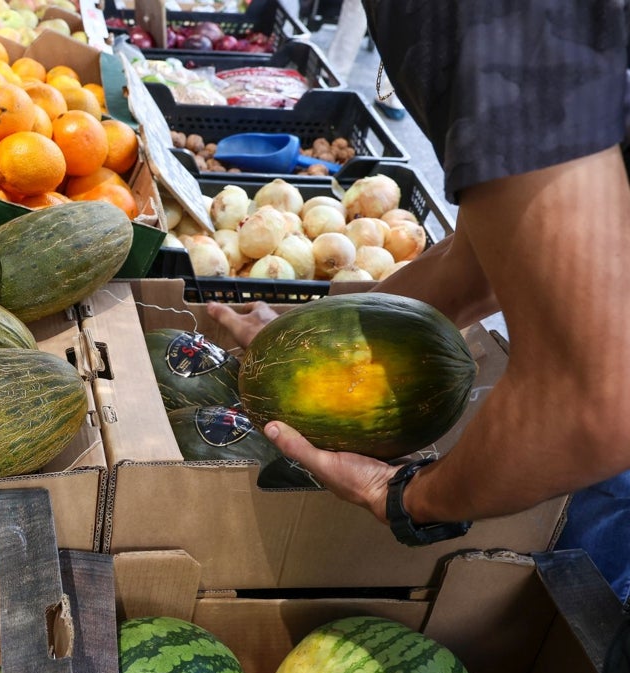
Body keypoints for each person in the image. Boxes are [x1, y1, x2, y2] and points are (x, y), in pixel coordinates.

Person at [207, 2, 630, 598]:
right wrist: (323, 333)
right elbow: (479, 262)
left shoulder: (487, 16)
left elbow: (588, 406)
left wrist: (406, 497)